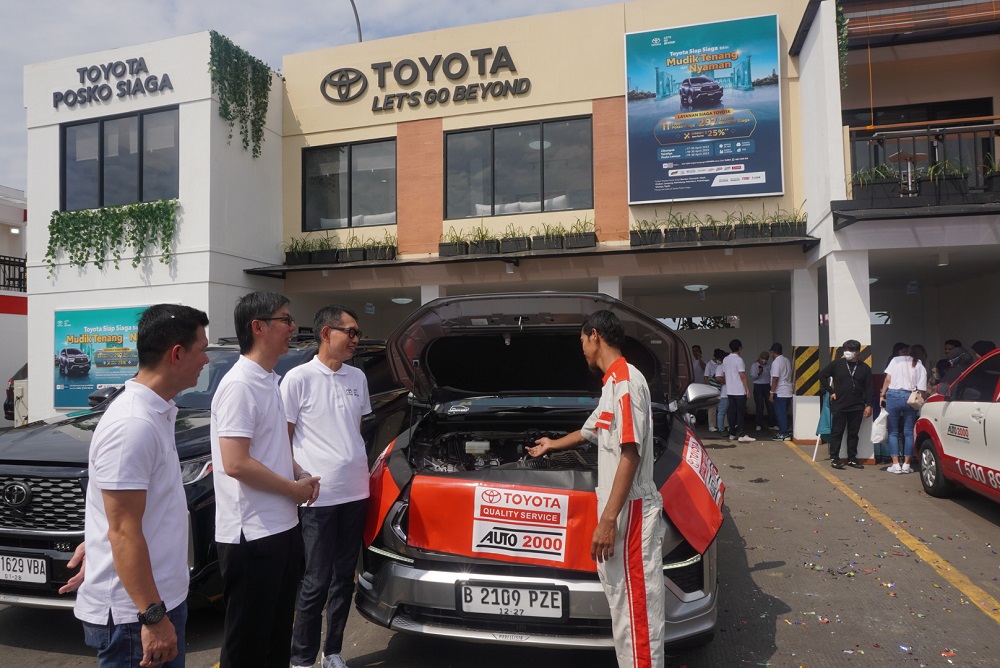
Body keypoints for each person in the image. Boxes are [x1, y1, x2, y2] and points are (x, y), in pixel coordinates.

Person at [526, 310, 665, 668]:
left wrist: (607, 520)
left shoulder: (626, 384)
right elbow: (590, 432)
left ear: (594, 336)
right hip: (622, 511)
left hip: (630, 512)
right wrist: (552, 444)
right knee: (624, 610)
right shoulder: (611, 385)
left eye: (582, 343)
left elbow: (630, 454)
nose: (583, 351)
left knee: (637, 615)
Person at [74, 304, 210, 668]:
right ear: (177, 354)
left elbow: (120, 517)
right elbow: (122, 530)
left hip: (154, 601)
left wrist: (97, 543)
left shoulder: (155, 412)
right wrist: (152, 616)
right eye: (202, 349)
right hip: (135, 617)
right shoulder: (133, 424)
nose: (207, 359)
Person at [211, 291, 320, 668]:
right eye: (285, 320)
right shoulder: (239, 385)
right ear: (258, 327)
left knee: (276, 640)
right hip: (252, 535)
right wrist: (292, 489)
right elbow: (236, 463)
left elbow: (270, 449)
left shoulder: (269, 380)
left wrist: (299, 473)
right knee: (247, 648)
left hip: (281, 527)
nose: (293, 328)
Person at [284, 306, 372, 668]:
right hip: (318, 497)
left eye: (357, 333)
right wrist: (299, 476)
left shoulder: (358, 378)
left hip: (356, 492)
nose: (355, 339)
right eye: (349, 332)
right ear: (326, 333)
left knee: (343, 580)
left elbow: (355, 431)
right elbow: (280, 441)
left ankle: (332, 651)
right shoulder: (297, 378)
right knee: (315, 581)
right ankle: (301, 659)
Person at [819, 340, 872, 470]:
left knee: (853, 434)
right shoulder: (837, 364)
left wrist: (869, 405)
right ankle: (834, 458)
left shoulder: (864, 368)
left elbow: (869, 388)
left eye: (850, 350)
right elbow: (822, 375)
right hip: (839, 404)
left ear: (858, 352)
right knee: (837, 432)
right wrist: (830, 391)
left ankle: (852, 458)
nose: (847, 353)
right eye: (845, 350)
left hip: (857, 406)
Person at [880, 344, 928, 474]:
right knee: (908, 432)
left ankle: (895, 464)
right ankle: (907, 465)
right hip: (910, 397)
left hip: (893, 396)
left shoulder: (895, 360)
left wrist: (882, 395)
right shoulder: (920, 364)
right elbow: (922, 389)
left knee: (893, 431)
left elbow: (887, 379)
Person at [717, 339, 754, 443]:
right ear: (739, 348)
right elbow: (742, 375)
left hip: (730, 390)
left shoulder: (726, 359)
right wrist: (747, 389)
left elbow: (725, 374)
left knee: (731, 412)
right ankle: (741, 434)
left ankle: (732, 433)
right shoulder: (739, 360)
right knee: (740, 412)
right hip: (739, 390)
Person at [768, 343, 793, 441]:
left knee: (780, 413)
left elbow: (775, 378)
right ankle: (787, 430)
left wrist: (771, 392)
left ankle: (783, 433)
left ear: (773, 352)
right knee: (786, 412)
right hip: (788, 390)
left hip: (780, 391)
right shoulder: (786, 360)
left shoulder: (776, 362)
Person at [750, 350, 775, 432]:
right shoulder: (754, 365)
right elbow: (753, 377)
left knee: (770, 406)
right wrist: (759, 373)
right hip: (758, 386)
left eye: (766, 359)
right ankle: (758, 424)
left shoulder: (769, 366)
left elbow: (772, 376)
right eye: (763, 358)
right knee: (759, 406)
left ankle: (771, 424)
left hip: (767, 386)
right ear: (760, 358)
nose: (764, 360)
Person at [704, 348, 725, 433]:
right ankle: (712, 425)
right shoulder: (709, 364)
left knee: (723, 406)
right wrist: (709, 387)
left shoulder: (722, 364)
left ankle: (723, 424)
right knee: (712, 407)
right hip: (712, 387)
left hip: (721, 387)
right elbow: (705, 377)